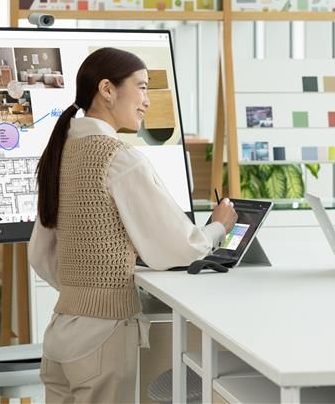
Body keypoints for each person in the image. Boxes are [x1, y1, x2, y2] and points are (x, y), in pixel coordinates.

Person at [28, 47, 238, 403]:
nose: (146, 101)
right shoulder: (119, 159)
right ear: (107, 89)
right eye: (141, 87)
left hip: (61, 333)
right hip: (103, 339)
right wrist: (218, 226)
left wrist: (81, 291)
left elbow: (39, 252)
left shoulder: (62, 152)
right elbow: (179, 247)